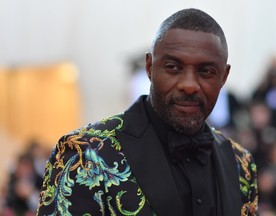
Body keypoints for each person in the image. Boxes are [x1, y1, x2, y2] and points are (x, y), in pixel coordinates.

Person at [37, 8, 258, 216]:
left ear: (224, 77)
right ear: (150, 67)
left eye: (206, 71)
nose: (189, 85)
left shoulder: (241, 163)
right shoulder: (84, 153)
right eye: (173, 67)